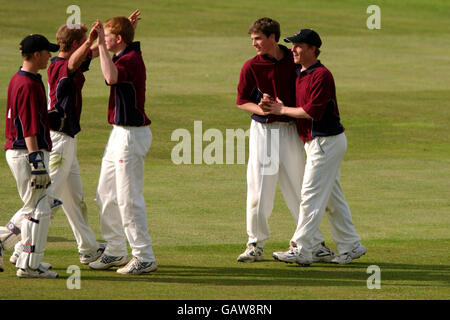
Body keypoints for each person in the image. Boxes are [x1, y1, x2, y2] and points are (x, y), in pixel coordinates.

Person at [261, 29, 366, 266]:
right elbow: (301, 106)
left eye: (298, 46)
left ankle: (301, 248)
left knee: (309, 196)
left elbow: (311, 112)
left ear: (312, 49)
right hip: (316, 142)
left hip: (325, 141)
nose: (293, 50)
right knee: (330, 198)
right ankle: (351, 245)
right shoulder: (301, 73)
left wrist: (281, 110)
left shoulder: (322, 75)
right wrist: (279, 105)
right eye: (293, 45)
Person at [236, 18, 334, 263]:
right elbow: (241, 101)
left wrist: (283, 109)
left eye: (258, 39)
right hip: (263, 132)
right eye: (253, 40)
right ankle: (255, 243)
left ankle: (313, 242)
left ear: (272, 38)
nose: (255, 44)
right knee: (259, 188)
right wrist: (262, 108)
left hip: (291, 130)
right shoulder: (251, 66)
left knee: (301, 187)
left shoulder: (294, 62)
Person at [88, 13, 157, 275]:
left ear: (117, 39)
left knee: (128, 199)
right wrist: (108, 41)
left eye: (106, 38)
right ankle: (116, 250)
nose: (100, 42)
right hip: (118, 133)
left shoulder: (130, 59)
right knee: (105, 194)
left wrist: (106, 46)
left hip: (131, 135)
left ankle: (144, 256)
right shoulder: (123, 51)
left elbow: (111, 77)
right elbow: (95, 56)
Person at [0, 34, 60, 278]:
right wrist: (37, 163)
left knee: (36, 205)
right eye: (47, 52)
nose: (50, 55)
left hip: (20, 151)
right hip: (26, 152)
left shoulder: (21, 78)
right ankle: (29, 265)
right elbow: (28, 127)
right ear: (36, 55)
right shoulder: (28, 84)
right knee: (39, 209)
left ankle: (22, 255)